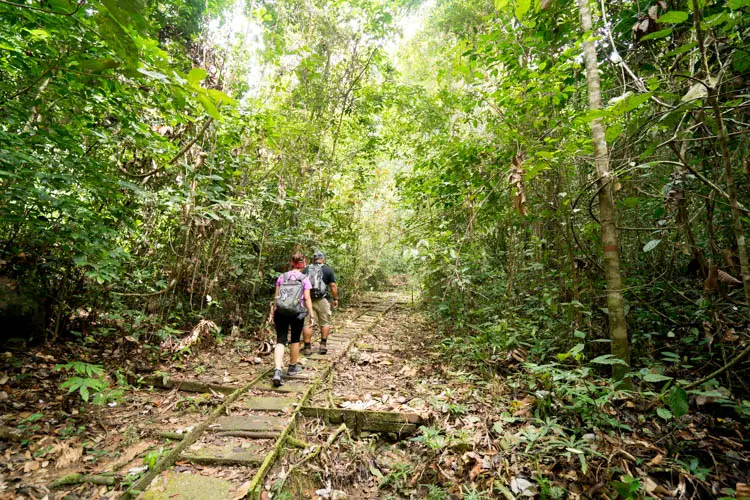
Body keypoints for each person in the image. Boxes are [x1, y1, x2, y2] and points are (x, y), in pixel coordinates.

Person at [272, 253, 313, 386]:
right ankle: (292, 367)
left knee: (280, 340)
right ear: (303, 263)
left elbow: (276, 297)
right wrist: (311, 314)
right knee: (295, 339)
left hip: (281, 311)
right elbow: (307, 298)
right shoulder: (304, 279)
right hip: (296, 312)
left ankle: (277, 370)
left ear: (292, 263)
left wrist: (275, 310)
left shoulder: (282, 277)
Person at [302, 251, 338, 355]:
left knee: (308, 324)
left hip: (308, 300)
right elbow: (333, 286)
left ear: (313, 260)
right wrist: (335, 299)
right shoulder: (327, 269)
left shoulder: (306, 269)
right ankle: (323, 345)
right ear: (323, 259)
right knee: (325, 322)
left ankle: (307, 348)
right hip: (322, 299)